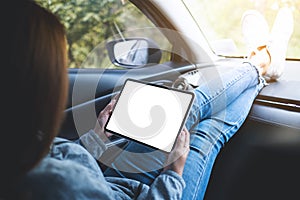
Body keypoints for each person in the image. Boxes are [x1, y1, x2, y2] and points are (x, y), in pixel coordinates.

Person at [0, 1, 293, 199]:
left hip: (113, 186)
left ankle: (259, 64)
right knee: (203, 133)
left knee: (181, 108)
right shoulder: (56, 186)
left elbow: (56, 158)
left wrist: (97, 137)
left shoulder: (15, 142)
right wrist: (174, 173)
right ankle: (262, 61)